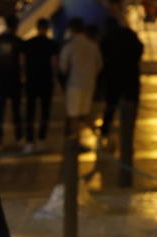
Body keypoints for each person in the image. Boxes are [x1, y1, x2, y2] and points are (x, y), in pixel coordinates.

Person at [98, 15, 143, 151]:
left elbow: (102, 57)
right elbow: (140, 49)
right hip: (131, 75)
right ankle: (129, 134)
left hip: (114, 76)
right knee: (131, 106)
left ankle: (104, 132)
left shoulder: (107, 38)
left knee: (110, 106)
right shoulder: (129, 34)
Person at [58, 17, 101, 147]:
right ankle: (99, 135)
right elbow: (99, 65)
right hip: (89, 83)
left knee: (74, 114)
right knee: (85, 113)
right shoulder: (92, 45)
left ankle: (75, 139)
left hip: (74, 83)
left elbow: (63, 66)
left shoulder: (70, 45)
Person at [0, 14, 22, 150]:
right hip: (15, 81)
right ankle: (19, 138)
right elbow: (23, 63)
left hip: (0, 81)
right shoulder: (18, 41)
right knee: (16, 111)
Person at [21, 17, 57, 153]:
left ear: (37, 27)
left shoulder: (29, 43)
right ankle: (42, 139)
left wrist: (24, 77)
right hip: (46, 82)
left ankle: (29, 141)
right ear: (47, 29)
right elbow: (54, 63)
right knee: (45, 112)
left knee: (30, 112)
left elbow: (22, 62)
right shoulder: (52, 44)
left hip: (31, 81)